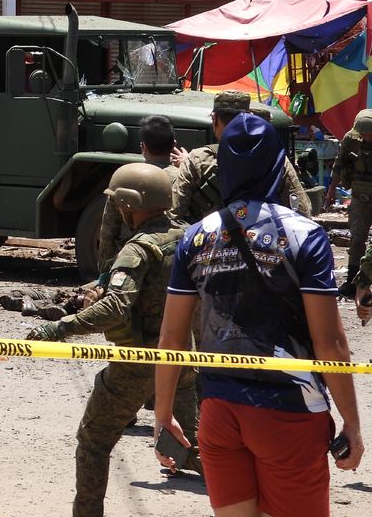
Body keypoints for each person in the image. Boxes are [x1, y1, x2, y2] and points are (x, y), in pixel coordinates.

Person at [155, 114, 363, 517]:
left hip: (218, 409)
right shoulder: (306, 235)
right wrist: (351, 423)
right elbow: (331, 344)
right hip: (289, 411)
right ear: (276, 162)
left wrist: (164, 414)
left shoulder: (196, 236)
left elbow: (171, 339)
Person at [27, 163, 198, 517]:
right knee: (192, 442)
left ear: (130, 206)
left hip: (138, 364)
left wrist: (60, 328)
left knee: (93, 442)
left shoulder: (137, 251)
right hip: (184, 356)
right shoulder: (188, 237)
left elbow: (116, 308)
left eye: (120, 205)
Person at [171, 90, 311, 225]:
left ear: (214, 118)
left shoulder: (198, 158)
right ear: (249, 117)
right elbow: (303, 211)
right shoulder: (276, 159)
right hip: (267, 239)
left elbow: (175, 214)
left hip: (213, 242)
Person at [95, 115, 181, 272]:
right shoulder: (185, 178)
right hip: (176, 260)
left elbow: (108, 230)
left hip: (132, 261)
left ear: (143, 147)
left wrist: (104, 270)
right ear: (173, 145)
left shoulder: (126, 178)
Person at [326, 108, 372, 297]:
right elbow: (339, 165)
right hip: (360, 198)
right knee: (357, 239)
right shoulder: (351, 140)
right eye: (364, 134)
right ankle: (352, 281)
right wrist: (331, 191)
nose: (366, 137)